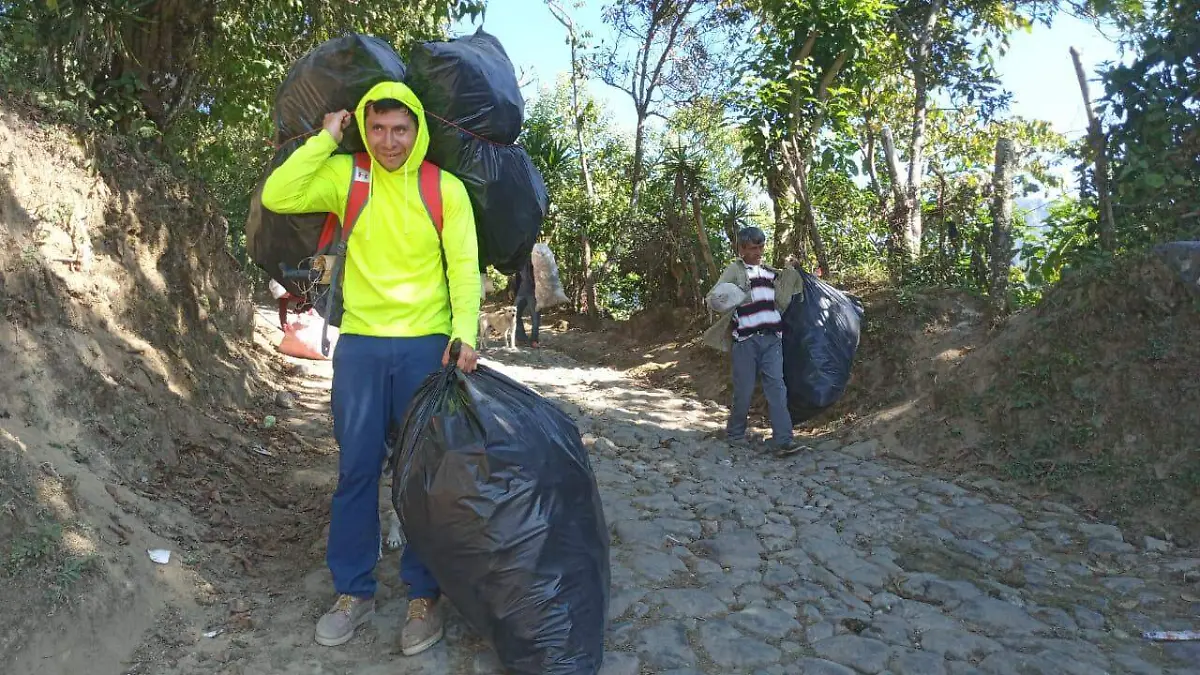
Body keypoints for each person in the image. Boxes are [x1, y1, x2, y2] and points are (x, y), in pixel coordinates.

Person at [261, 81, 479, 655]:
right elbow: (280, 195)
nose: (388, 142)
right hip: (359, 344)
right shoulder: (347, 175)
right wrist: (324, 140)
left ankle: (424, 594)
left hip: (425, 347)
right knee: (356, 469)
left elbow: (463, 265)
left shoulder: (443, 188)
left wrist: (466, 336)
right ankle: (353, 591)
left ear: (417, 132)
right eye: (377, 128)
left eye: (400, 130)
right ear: (365, 125)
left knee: (423, 473)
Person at [702, 226, 805, 457]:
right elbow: (714, 297)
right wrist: (731, 296)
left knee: (777, 389)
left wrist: (793, 269)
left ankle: (783, 440)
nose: (758, 252)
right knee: (744, 389)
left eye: (761, 247)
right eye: (752, 248)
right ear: (741, 249)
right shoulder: (735, 270)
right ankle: (736, 434)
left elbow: (789, 290)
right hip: (745, 340)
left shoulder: (770, 273)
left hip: (772, 339)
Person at [511, 256, 539, 348]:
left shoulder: (535, 259)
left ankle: (534, 340)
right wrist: (512, 289)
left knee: (535, 316)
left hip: (533, 291)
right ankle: (521, 337)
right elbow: (517, 276)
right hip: (522, 291)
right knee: (515, 313)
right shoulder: (520, 259)